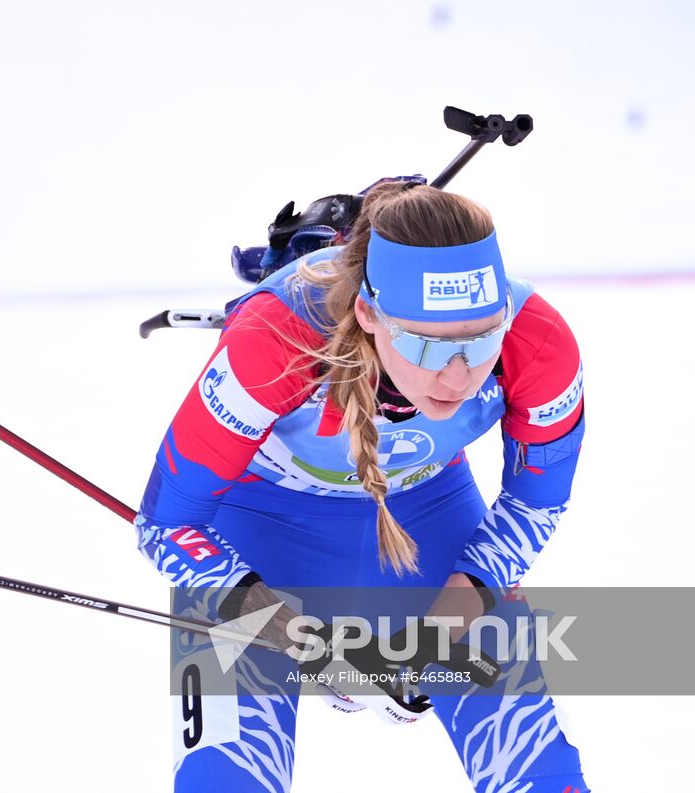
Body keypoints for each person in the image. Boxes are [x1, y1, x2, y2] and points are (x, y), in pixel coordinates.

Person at [135, 180, 590, 792]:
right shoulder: (277, 336)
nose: (457, 374)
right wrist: (297, 639)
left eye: (483, 339)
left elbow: (535, 506)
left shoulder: (539, 342)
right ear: (369, 313)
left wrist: (438, 636)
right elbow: (168, 522)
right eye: (426, 343)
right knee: (224, 781)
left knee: (544, 777)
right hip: (255, 532)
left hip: (428, 529)